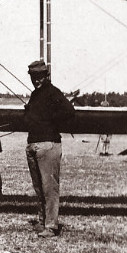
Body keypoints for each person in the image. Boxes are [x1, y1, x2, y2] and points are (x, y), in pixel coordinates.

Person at [24, 60, 76, 238]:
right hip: (33, 144)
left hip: (48, 144)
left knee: (49, 188)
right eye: (33, 77)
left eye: (39, 77)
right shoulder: (35, 94)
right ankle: (42, 220)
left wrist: (49, 120)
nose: (36, 80)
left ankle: (51, 226)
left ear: (46, 76)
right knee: (38, 187)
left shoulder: (53, 92)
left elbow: (69, 111)